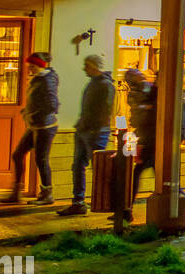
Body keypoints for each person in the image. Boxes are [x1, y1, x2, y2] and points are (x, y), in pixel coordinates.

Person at [58, 55, 115, 216]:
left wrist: (94, 129)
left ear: (95, 67)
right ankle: (78, 202)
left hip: (95, 132)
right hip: (85, 130)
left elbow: (105, 110)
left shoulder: (105, 85)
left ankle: (108, 202)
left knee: (98, 170)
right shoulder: (94, 83)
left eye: (87, 66)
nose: (84, 69)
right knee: (78, 166)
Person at [3, 52, 59, 206]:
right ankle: (16, 192)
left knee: (41, 160)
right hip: (35, 125)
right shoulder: (38, 79)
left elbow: (53, 104)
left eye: (31, 65)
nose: (29, 67)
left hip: (45, 126)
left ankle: (47, 194)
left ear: (38, 65)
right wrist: (27, 112)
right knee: (17, 155)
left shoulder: (47, 80)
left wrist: (36, 114)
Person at [123, 68, 157, 212]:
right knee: (142, 171)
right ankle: (127, 207)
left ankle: (127, 208)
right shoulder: (139, 91)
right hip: (143, 136)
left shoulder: (147, 89)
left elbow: (144, 113)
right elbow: (140, 112)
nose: (142, 76)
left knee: (137, 172)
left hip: (147, 137)